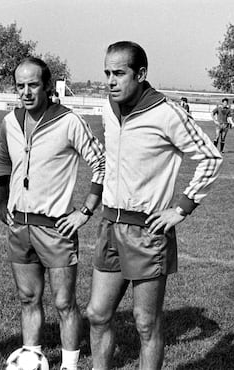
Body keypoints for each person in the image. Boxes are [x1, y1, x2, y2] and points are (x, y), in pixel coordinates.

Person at [86, 41, 222, 370]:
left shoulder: (167, 113)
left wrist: (180, 208)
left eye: (119, 73)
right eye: (107, 72)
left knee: (146, 322)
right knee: (97, 314)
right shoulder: (108, 106)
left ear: (141, 73)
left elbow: (210, 157)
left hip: (148, 232)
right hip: (110, 226)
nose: (110, 80)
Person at [0, 56, 105, 370]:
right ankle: (31, 358)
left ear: (47, 86)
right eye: (20, 86)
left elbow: (102, 163)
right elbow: (3, 162)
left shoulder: (68, 121)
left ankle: (69, 365)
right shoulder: (10, 122)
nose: (26, 92)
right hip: (20, 227)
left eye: (33, 85)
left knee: (64, 302)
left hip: (56, 229)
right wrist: (3, 203)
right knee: (28, 299)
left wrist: (85, 211)